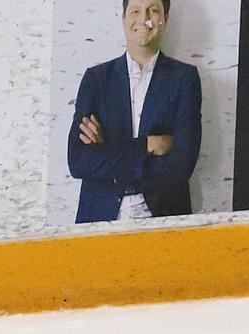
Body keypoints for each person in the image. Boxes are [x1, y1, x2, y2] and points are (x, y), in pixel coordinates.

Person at [67, 0, 202, 224]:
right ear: (123, 18)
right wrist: (147, 146)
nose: (144, 18)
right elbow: (79, 160)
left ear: (165, 19)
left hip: (164, 222)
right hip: (100, 221)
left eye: (153, 10)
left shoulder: (184, 78)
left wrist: (109, 154)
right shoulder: (96, 79)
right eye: (135, 11)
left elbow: (181, 166)